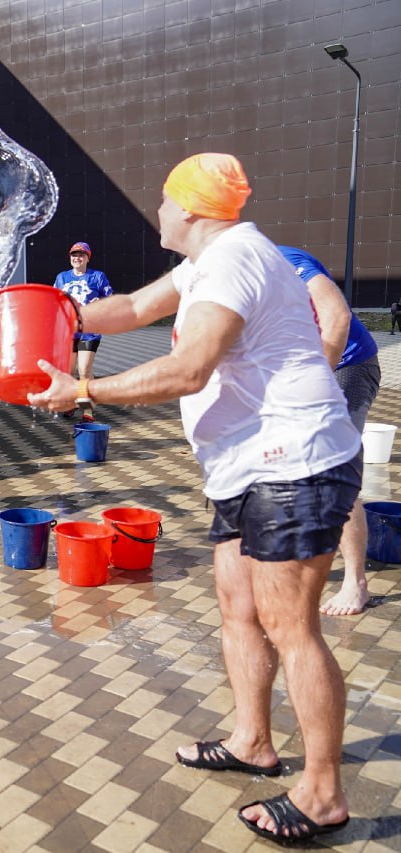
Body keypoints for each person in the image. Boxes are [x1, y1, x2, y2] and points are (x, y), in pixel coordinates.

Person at [28, 153, 357, 845]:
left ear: (194, 210)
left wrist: (82, 390)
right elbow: (134, 308)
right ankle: (252, 740)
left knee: (291, 625)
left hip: (293, 464)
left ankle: (324, 791)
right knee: (239, 606)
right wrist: (59, 309)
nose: (159, 209)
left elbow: (188, 368)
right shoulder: (206, 261)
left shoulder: (236, 256)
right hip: (245, 468)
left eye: (167, 199)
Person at [281, 246, 380, 617]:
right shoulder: (228, 278)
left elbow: (337, 315)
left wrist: (315, 386)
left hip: (347, 365)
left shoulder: (285, 261)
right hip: (303, 370)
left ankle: (356, 582)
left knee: (335, 470)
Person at [51, 241, 113, 422]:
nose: (77, 258)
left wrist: (99, 303)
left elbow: (110, 297)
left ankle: (87, 411)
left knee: (84, 370)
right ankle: (71, 403)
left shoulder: (97, 276)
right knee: (68, 372)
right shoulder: (62, 277)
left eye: (81, 255)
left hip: (89, 330)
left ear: (87, 258)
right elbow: (53, 300)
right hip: (68, 331)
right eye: (74, 255)